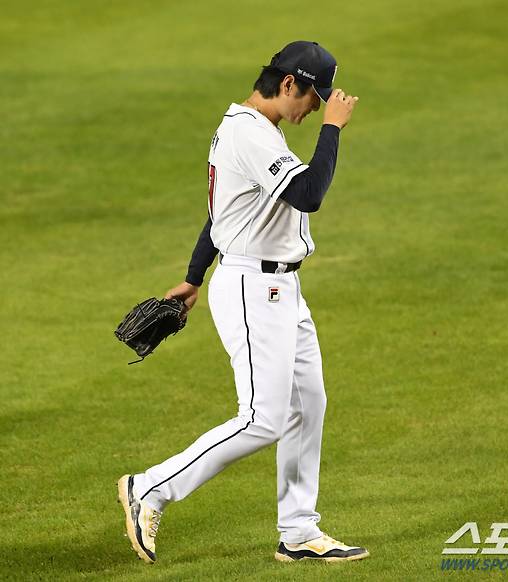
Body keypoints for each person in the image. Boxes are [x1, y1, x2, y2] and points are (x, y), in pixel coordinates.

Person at [117, 41, 367, 564]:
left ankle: (298, 531)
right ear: (287, 84)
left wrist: (191, 276)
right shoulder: (247, 132)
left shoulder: (257, 131)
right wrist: (333, 130)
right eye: (314, 97)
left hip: (280, 290)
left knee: (307, 405)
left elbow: (224, 214)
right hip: (255, 289)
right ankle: (150, 488)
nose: (317, 107)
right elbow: (309, 195)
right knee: (262, 419)